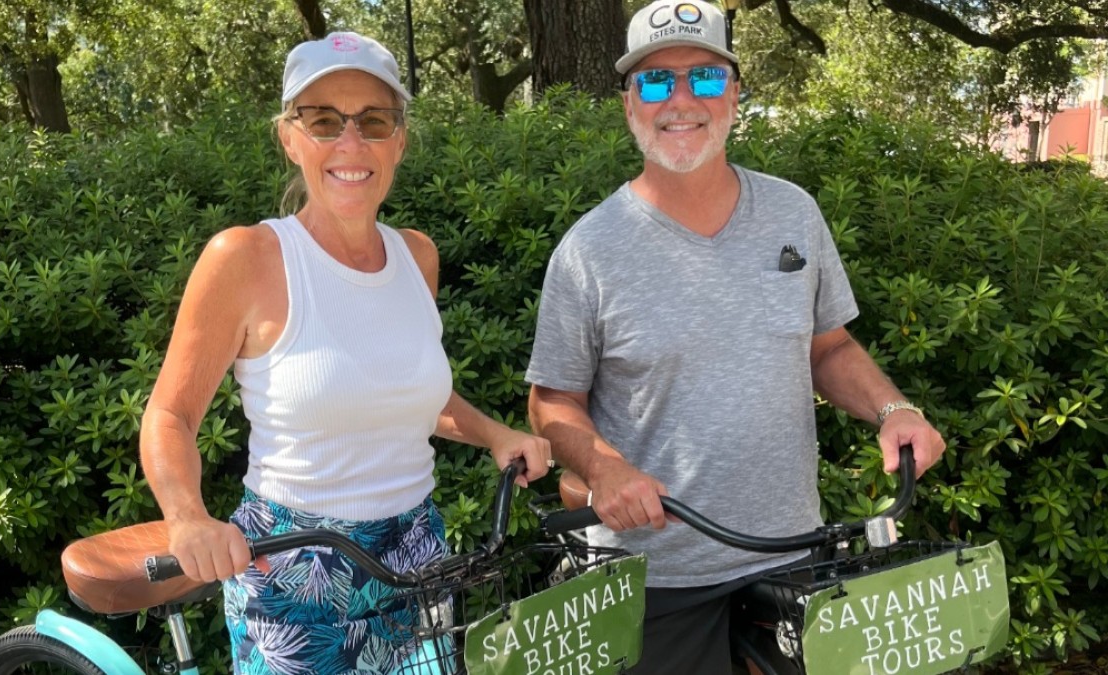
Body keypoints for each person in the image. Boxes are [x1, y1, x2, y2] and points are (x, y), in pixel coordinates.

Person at [524, 1, 947, 672]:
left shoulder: (793, 212)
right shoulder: (589, 250)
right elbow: (551, 404)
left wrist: (894, 410)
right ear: (630, 102)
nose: (682, 99)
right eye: (656, 81)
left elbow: (828, 347)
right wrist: (603, 468)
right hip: (653, 574)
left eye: (706, 77)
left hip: (794, 556)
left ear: (736, 92)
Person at [139, 31, 552, 674]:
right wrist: (187, 518)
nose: (351, 144)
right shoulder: (245, 259)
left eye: (374, 121)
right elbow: (170, 416)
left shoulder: (417, 256)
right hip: (295, 572)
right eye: (324, 120)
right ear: (290, 138)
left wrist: (497, 434)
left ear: (400, 141)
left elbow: (405, 390)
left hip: (418, 559)